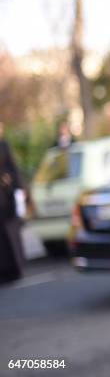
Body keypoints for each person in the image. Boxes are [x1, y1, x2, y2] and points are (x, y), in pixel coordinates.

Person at [0, 122, 25, 284]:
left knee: (10, 235)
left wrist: (12, 182)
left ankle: (14, 270)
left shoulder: (4, 145)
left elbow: (12, 168)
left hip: (5, 199)